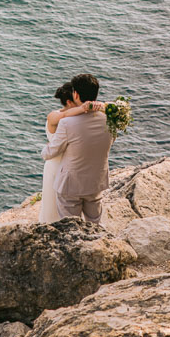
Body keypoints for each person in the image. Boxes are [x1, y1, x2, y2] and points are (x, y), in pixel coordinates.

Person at [41, 73, 112, 224]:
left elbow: (50, 152)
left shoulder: (67, 123)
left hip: (71, 184)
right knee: (95, 223)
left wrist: (45, 150)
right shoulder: (109, 119)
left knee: (71, 226)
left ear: (76, 95)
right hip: (96, 181)